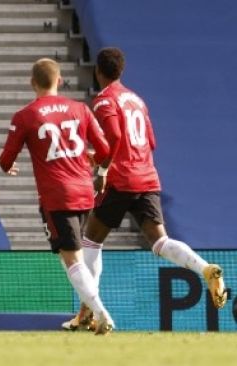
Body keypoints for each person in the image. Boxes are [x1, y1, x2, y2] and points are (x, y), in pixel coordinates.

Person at [62, 47, 227, 331]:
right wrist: (102, 156)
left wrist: (101, 169)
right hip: (146, 176)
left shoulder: (104, 100)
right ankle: (205, 268)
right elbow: (150, 141)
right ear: (121, 71)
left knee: (91, 240)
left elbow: (114, 136)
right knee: (160, 241)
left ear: (97, 71)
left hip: (120, 178)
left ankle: (88, 311)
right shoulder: (137, 100)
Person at [0, 58, 115, 335]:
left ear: (32, 82)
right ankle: (90, 314)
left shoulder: (25, 116)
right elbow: (105, 149)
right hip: (84, 191)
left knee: (71, 259)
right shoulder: (80, 109)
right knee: (76, 255)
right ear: (60, 80)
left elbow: (5, 160)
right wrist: (95, 163)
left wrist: (8, 166)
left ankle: (102, 314)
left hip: (56, 195)